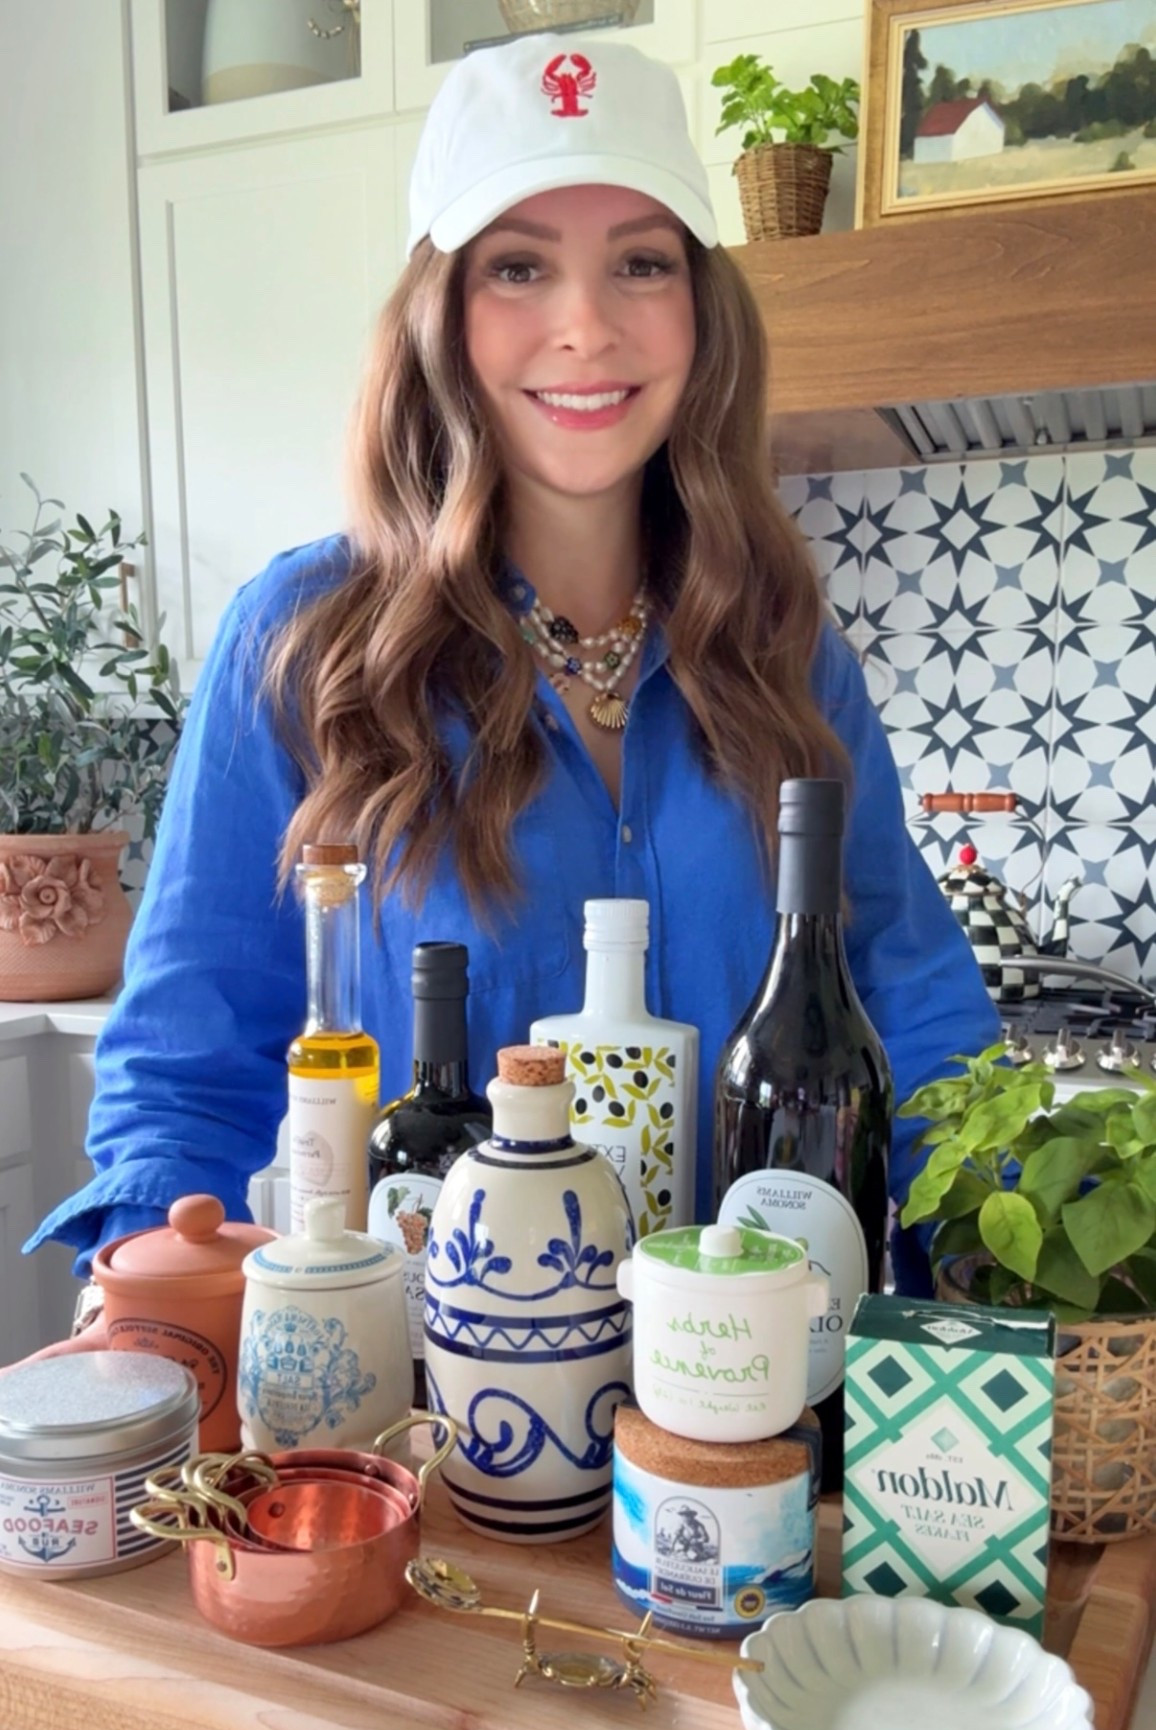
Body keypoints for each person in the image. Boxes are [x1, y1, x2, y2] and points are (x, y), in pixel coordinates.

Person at [24, 36, 998, 1328]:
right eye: (520, 267)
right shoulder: (303, 643)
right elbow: (188, 1064)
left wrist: (998, 1253)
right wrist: (155, 1291)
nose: (585, 326)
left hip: (752, 1414)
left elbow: (912, 1000)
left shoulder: (785, 649)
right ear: (442, 313)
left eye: (641, 264)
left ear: (703, 314)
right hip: (421, 1432)